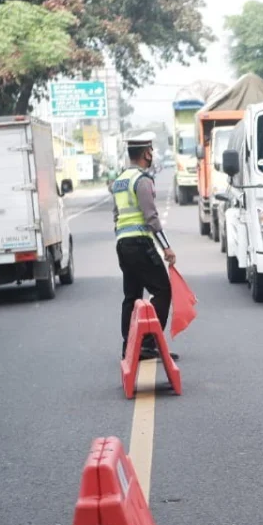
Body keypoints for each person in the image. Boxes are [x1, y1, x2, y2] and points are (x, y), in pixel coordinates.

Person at [112, 132, 178, 361]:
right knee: (162, 290)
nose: (152, 156)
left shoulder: (120, 180)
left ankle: (129, 346)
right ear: (145, 153)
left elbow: (116, 216)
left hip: (123, 244)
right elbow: (151, 218)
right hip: (140, 243)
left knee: (131, 296)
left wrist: (122, 241)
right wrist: (166, 248)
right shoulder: (142, 180)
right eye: (151, 151)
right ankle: (148, 344)